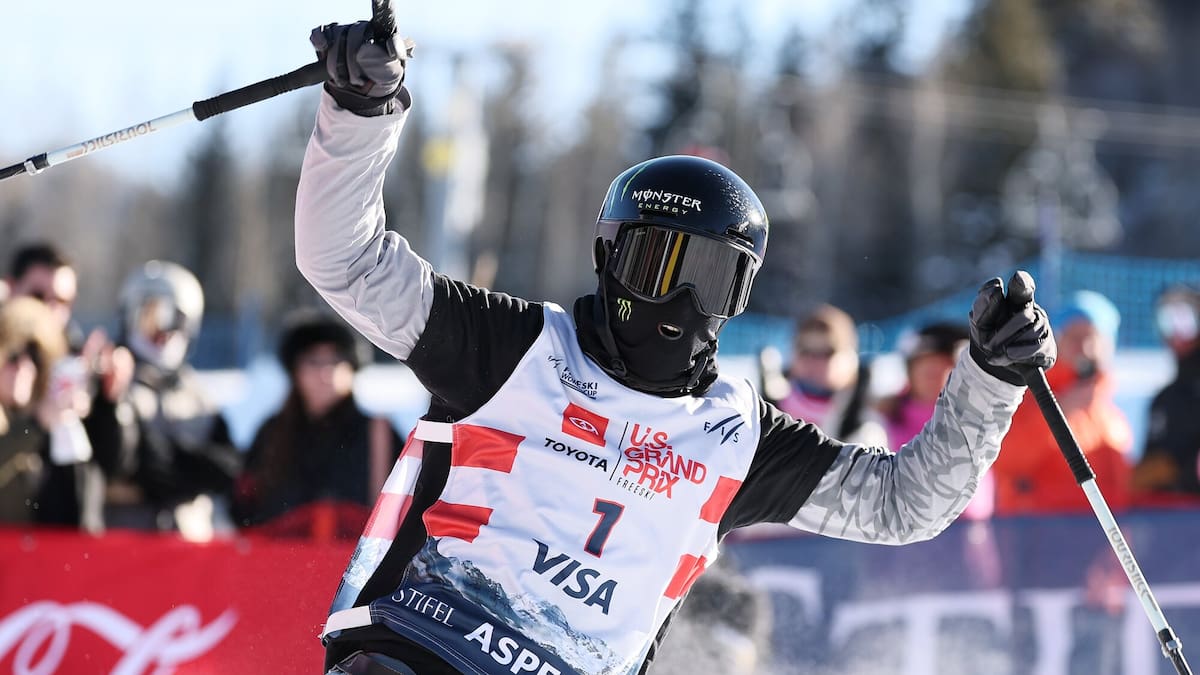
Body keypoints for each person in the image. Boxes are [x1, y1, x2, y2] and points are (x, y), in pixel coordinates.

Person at [295, 21, 1055, 675]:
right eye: (659, 266)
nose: (682, 304)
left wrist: (991, 377)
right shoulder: (509, 347)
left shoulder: (738, 438)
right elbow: (345, 261)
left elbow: (904, 503)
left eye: (714, 280)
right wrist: (361, 110)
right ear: (609, 258)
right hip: (422, 648)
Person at [100, 260, 241, 541]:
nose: (161, 333)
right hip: (124, 542)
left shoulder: (198, 396)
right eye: (148, 317)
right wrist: (188, 471)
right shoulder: (110, 384)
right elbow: (136, 463)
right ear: (128, 318)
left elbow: (227, 469)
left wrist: (179, 469)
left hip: (188, 544)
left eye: (174, 319)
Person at [6, 242, 136, 531]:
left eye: (63, 301)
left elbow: (117, 465)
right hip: (14, 539)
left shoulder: (81, 363)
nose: (51, 309)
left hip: (76, 536)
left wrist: (111, 401)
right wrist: (35, 423)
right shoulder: (5, 359)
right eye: (38, 296)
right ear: (11, 289)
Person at [234, 311, 401, 534]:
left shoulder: (378, 435)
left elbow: (409, 510)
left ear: (352, 369)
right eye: (313, 361)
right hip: (279, 555)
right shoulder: (272, 434)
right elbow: (245, 508)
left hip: (354, 556)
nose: (325, 372)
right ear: (295, 371)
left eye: (336, 361)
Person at [991, 290, 1132, 515]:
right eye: (1074, 337)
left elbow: (1124, 490)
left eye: (1092, 337)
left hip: (1099, 531)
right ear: (1055, 341)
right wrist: (1057, 412)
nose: (1084, 347)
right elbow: (1003, 460)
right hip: (1034, 530)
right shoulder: (1023, 395)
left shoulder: (1110, 415)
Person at [763, 305, 888, 447]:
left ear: (850, 358)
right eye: (805, 351)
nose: (813, 361)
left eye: (826, 353)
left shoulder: (868, 420)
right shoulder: (771, 408)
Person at [0, 297, 68, 524]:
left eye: (34, 356)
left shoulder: (45, 413)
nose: (24, 366)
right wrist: (36, 425)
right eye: (13, 356)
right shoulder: (36, 421)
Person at [1132, 284, 1200, 499]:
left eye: (1185, 318)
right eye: (1167, 319)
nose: (1177, 331)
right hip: (1169, 515)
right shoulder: (1165, 400)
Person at [879, 321, 970, 451]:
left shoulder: (977, 421)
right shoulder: (879, 420)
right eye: (928, 371)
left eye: (942, 368)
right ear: (910, 371)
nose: (933, 379)